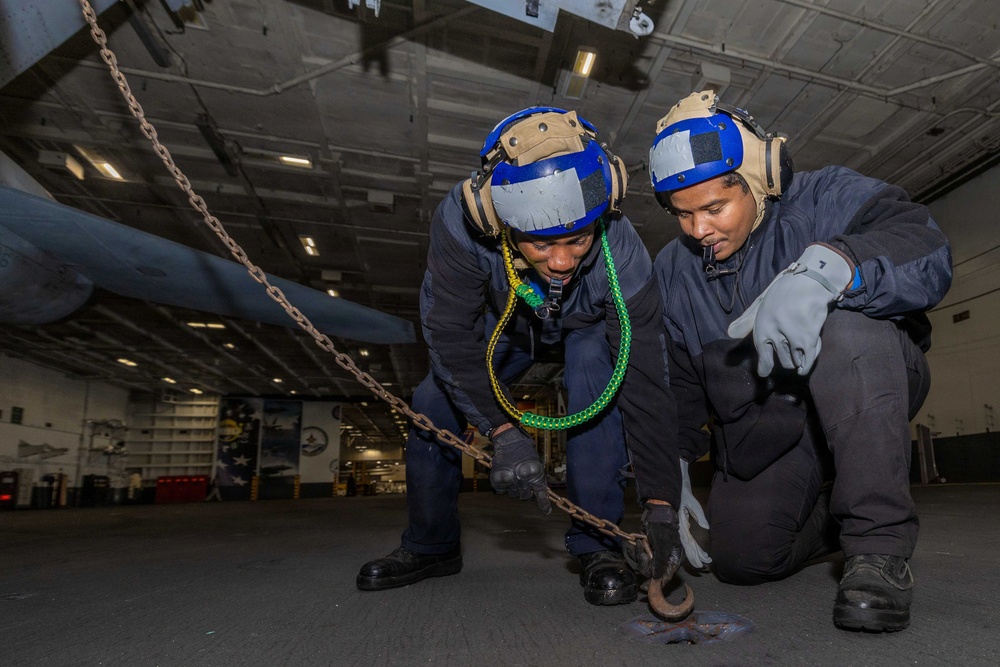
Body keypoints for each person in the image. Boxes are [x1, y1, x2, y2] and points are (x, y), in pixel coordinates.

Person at [648, 90, 952, 632]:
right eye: (683, 215)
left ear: (760, 177)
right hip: (774, 427)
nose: (698, 231)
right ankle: (835, 511)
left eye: (714, 209)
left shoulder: (824, 196)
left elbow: (927, 249)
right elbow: (683, 380)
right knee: (742, 560)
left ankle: (878, 549)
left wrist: (837, 266)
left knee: (844, 323)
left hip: (865, 378)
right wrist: (671, 467)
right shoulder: (674, 269)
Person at [356, 107, 683, 606]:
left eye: (578, 239)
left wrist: (661, 504)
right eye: (541, 242)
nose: (562, 262)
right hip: (506, 325)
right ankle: (431, 545)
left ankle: (597, 546)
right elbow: (449, 333)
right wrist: (502, 432)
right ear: (498, 221)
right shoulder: (461, 225)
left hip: (586, 326)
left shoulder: (624, 252)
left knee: (595, 368)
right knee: (432, 402)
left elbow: (645, 380)